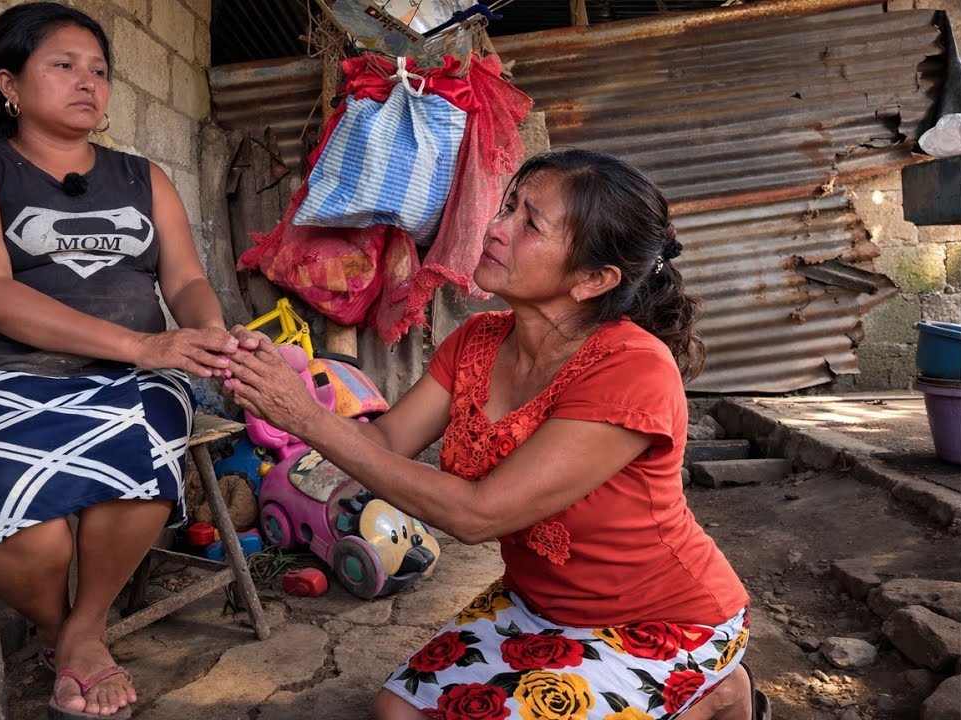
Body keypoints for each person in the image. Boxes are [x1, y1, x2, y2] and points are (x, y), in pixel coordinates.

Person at [224, 149, 766, 720]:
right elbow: (383, 444)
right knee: (395, 713)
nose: (496, 228)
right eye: (508, 207)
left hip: (661, 620)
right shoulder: (478, 340)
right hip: (538, 605)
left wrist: (305, 420)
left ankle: (721, 693)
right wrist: (294, 392)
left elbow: (477, 515)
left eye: (530, 223)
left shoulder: (633, 369)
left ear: (593, 279)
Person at [0, 3, 238, 717]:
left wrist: (208, 334)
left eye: (98, 70)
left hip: (131, 382)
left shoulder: (143, 178)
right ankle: (58, 629)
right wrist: (145, 345)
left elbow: (186, 279)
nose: (87, 81)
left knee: (140, 449)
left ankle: (84, 630)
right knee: (23, 519)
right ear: (9, 84)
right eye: (63, 65)